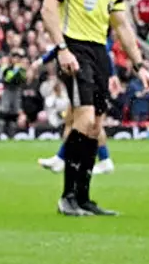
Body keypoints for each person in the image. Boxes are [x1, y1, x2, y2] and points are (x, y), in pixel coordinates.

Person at [40, 0, 149, 217]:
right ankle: (67, 197)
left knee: (95, 126)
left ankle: (84, 198)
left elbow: (122, 26)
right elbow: (48, 8)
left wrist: (140, 65)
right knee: (84, 118)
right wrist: (61, 48)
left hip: (99, 51)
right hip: (75, 47)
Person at [37, 41, 116, 174]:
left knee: (82, 121)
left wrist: (43, 59)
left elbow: (64, 44)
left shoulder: (88, 34)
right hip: (93, 76)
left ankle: (63, 159)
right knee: (81, 121)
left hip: (91, 77)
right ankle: (104, 160)